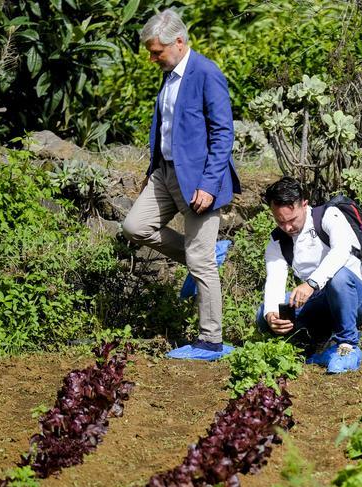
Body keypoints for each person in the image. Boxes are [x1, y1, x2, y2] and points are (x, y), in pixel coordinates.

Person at [121, 9, 240, 360]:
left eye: (156, 51)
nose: (152, 57)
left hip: (200, 179)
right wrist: (152, 168)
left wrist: (208, 183)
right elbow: (168, 127)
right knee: (134, 227)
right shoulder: (170, 73)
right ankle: (203, 254)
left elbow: (223, 133)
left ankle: (211, 341)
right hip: (166, 172)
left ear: (179, 42)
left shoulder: (206, 72)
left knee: (200, 262)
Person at [257, 177, 362, 374]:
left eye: (292, 220)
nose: (287, 227)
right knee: (264, 314)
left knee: (337, 277)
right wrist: (272, 314)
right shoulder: (278, 241)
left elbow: (341, 252)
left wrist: (311, 283)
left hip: (359, 299)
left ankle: (348, 345)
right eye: (280, 221)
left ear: (304, 205)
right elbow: (275, 280)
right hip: (322, 302)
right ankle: (311, 342)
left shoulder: (329, 216)